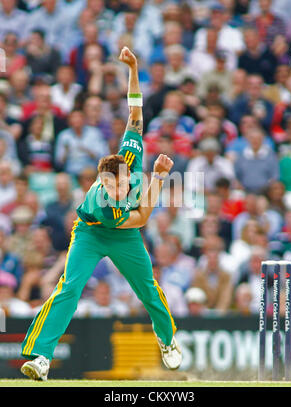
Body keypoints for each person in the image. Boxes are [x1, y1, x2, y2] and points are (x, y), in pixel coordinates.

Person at [20, 47, 181, 381]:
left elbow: (135, 110)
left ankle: (167, 342)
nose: (115, 192)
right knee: (70, 288)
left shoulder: (129, 155)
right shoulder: (102, 205)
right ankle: (42, 358)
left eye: (118, 186)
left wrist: (133, 67)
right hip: (92, 233)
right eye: (109, 188)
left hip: (126, 238)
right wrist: (162, 178)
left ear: (125, 172)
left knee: (148, 290)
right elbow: (144, 217)